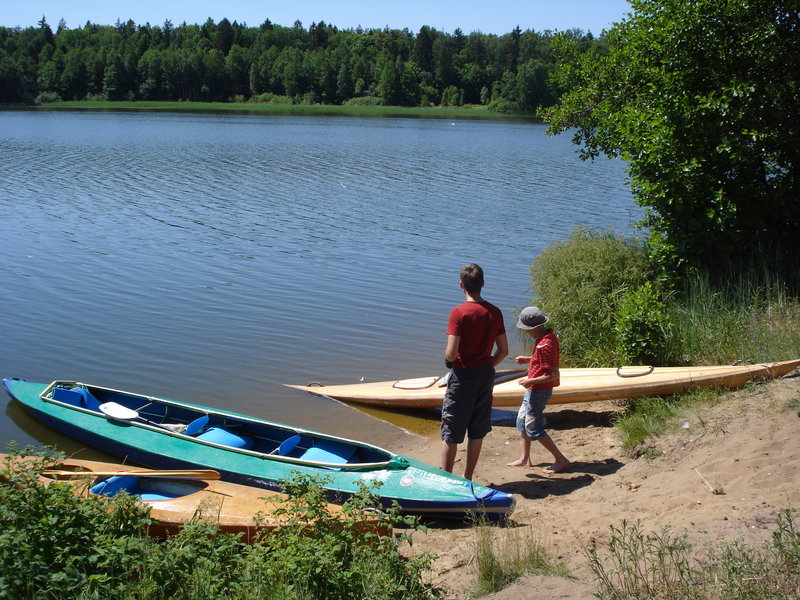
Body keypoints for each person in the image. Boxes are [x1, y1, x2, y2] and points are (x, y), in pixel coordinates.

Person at [441, 263, 508, 481]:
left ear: (461, 285)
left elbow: (451, 354)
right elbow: (503, 350)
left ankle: (447, 478)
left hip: (463, 375)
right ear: (483, 284)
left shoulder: (458, 313)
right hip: (485, 375)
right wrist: (489, 364)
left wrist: (449, 360)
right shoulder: (495, 312)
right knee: (477, 428)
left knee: (451, 429)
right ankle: (468, 476)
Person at [507, 306, 570, 474]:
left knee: (533, 427)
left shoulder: (545, 344)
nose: (526, 332)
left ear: (534, 328)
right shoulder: (544, 338)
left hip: (538, 391)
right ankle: (525, 458)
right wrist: (528, 359)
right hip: (533, 389)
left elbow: (553, 374)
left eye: (527, 329)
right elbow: (542, 361)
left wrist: (531, 380)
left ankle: (561, 459)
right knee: (521, 421)